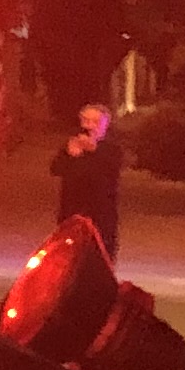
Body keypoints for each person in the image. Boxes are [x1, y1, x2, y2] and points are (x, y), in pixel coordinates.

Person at [50, 102, 125, 256]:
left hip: (100, 214)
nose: (89, 126)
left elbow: (104, 175)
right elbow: (56, 169)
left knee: (100, 254)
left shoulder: (112, 148)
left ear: (105, 125)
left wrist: (93, 152)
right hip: (71, 211)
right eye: (85, 121)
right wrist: (71, 156)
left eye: (95, 122)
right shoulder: (72, 145)